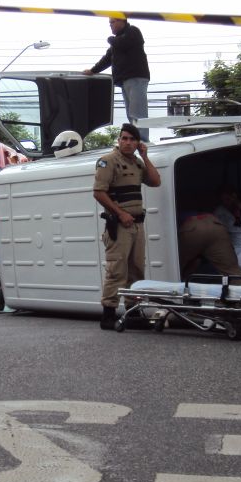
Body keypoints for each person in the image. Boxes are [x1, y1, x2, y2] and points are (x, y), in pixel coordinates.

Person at [93, 123, 161, 330]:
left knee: (137, 270)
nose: (128, 142)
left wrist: (145, 157)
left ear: (138, 143)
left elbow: (156, 181)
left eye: (132, 139)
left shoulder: (138, 163)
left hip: (137, 224)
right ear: (119, 140)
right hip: (120, 225)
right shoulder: (108, 161)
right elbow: (99, 192)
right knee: (117, 269)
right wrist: (120, 213)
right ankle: (108, 314)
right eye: (124, 138)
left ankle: (133, 312)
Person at [83, 18, 150, 124]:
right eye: (110, 23)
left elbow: (122, 43)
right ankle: (134, 134)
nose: (110, 25)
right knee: (131, 115)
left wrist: (110, 39)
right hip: (125, 80)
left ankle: (141, 135)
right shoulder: (117, 41)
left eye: (112, 22)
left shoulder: (132, 31)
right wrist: (93, 70)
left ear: (122, 21)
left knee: (138, 113)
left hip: (135, 77)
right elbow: (107, 59)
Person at [177, 211, 241, 282]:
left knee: (175, 267)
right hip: (213, 223)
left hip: (191, 227)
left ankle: (180, 285)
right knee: (232, 271)